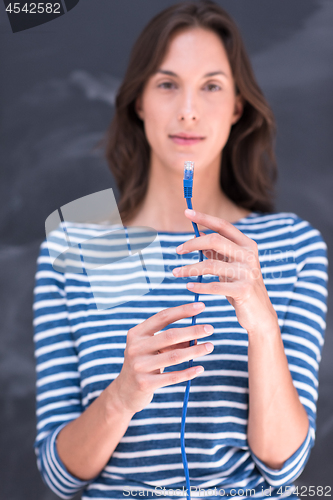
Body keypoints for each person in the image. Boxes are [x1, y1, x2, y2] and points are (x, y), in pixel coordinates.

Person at [32, 1, 328, 499]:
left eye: (211, 85)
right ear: (139, 102)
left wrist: (261, 322)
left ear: (237, 105)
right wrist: (123, 394)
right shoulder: (79, 238)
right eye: (167, 84)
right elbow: (61, 478)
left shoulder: (291, 243)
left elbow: (285, 469)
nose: (188, 109)